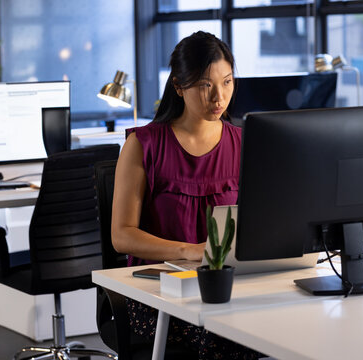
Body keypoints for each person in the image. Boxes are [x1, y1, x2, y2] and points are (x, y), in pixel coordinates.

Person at [111, 31, 261, 359]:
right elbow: (122, 237)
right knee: (226, 337)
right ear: (179, 86)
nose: (219, 97)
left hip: (227, 287)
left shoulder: (246, 144)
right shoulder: (143, 145)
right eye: (205, 85)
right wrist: (190, 251)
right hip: (156, 292)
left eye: (227, 82)